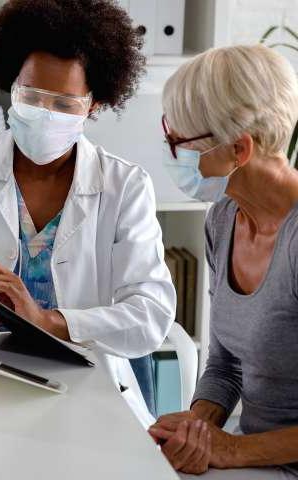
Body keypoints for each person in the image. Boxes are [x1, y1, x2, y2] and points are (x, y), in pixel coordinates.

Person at [0, 0, 176, 425]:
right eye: (31, 96)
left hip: (90, 386)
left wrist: (48, 320)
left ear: (95, 104)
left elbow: (150, 317)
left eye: (65, 104)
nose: (44, 116)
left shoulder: (125, 187)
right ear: (10, 85)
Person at [149, 44, 298, 478]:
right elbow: (226, 363)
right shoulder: (224, 219)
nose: (169, 150)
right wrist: (198, 427)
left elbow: (232, 448)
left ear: (239, 149)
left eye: (179, 141)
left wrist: (231, 450)